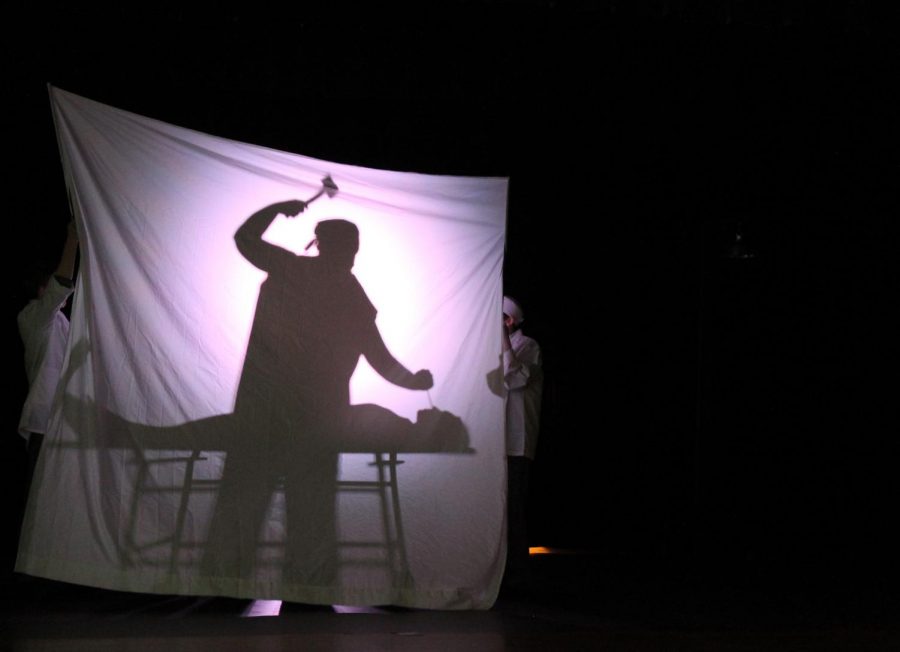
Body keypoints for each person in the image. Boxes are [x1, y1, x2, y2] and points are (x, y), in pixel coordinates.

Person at [202, 199, 433, 586]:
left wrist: (276, 209)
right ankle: (304, 589)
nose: (351, 256)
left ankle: (225, 587)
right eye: (349, 248)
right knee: (307, 513)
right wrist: (415, 382)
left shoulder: (296, 272)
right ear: (340, 249)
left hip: (270, 414)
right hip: (311, 421)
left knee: (249, 502)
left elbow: (245, 238)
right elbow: (381, 359)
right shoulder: (343, 292)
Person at [18, 219, 78, 500]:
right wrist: (72, 239)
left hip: (63, 418)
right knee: (41, 494)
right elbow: (61, 284)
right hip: (44, 419)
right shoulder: (33, 317)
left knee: (60, 495)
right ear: (41, 291)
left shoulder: (59, 323)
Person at [500, 295, 542, 588]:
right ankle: (503, 573)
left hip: (517, 442)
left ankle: (520, 576)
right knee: (500, 509)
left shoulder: (528, 346)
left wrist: (503, 342)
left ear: (509, 321)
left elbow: (515, 378)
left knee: (514, 507)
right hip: (499, 443)